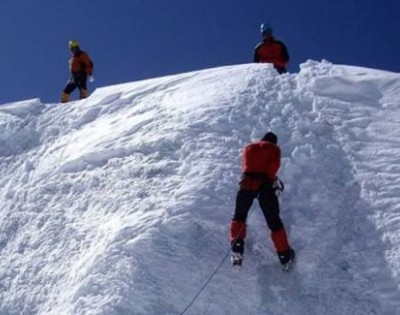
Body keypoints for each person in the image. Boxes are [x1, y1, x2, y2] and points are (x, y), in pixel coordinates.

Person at [229, 132, 294, 268]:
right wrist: (269, 179)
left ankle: (237, 251)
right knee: (274, 222)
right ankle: (284, 256)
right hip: (265, 186)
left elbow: (246, 166)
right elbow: (274, 166)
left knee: (239, 217)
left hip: (246, 183)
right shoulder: (274, 149)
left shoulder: (249, 147)